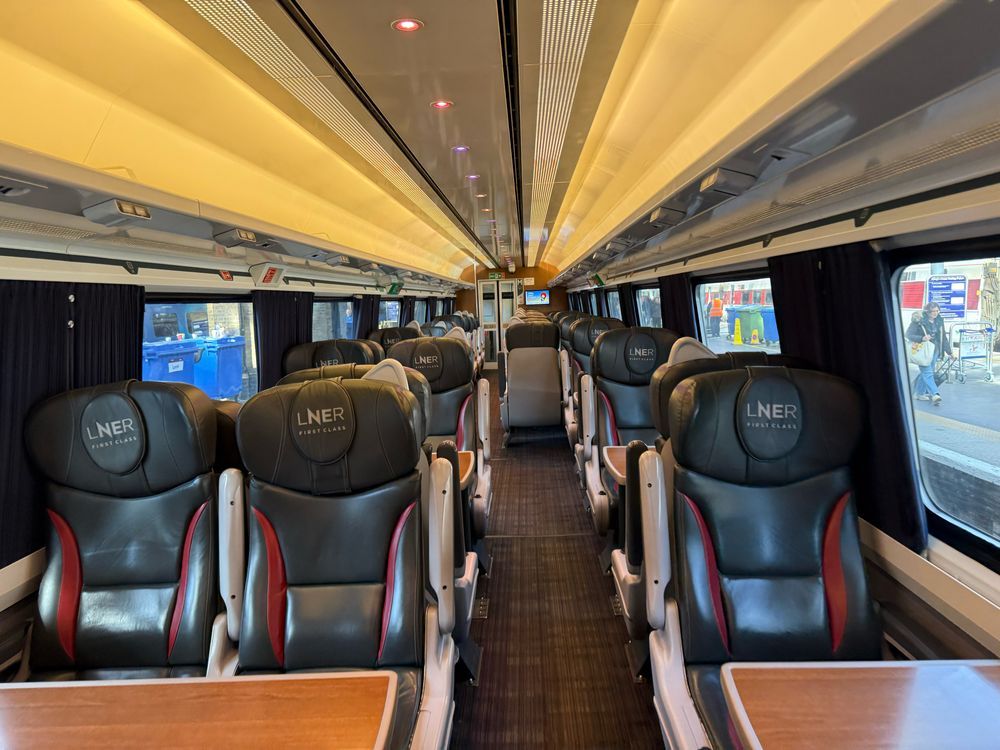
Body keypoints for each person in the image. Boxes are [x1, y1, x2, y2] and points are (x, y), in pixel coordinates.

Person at [906, 302, 951, 405]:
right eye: (933, 311)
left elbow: (943, 337)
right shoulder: (919, 320)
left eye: (937, 311)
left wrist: (949, 352)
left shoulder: (939, 320)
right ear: (927, 311)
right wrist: (922, 338)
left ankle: (919, 393)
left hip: (934, 351)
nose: (935, 313)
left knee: (927, 372)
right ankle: (935, 394)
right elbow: (908, 334)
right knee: (928, 372)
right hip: (922, 351)